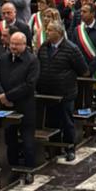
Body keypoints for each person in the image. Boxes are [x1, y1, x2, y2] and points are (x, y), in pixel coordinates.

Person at [37, 18, 85, 161]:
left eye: (50, 30)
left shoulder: (71, 48)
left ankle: (70, 147)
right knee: (51, 121)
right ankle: (54, 147)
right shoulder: (44, 47)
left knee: (66, 121)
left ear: (58, 32)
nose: (47, 32)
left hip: (65, 93)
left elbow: (82, 69)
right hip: (47, 92)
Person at [0, 29, 38, 173]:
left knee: (27, 141)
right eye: (12, 43)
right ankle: (12, 169)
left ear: (24, 44)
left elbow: (29, 85)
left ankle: (29, 170)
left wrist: (8, 96)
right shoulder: (4, 57)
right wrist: (1, 94)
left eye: (17, 44)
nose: (13, 47)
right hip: (5, 106)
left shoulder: (32, 60)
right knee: (9, 140)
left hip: (24, 106)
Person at [73, 0, 96, 141]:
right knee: (84, 98)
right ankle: (87, 126)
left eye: (84, 12)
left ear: (93, 14)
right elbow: (74, 50)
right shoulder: (78, 30)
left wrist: (89, 69)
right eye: (81, 11)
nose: (81, 14)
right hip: (81, 71)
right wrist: (81, 68)